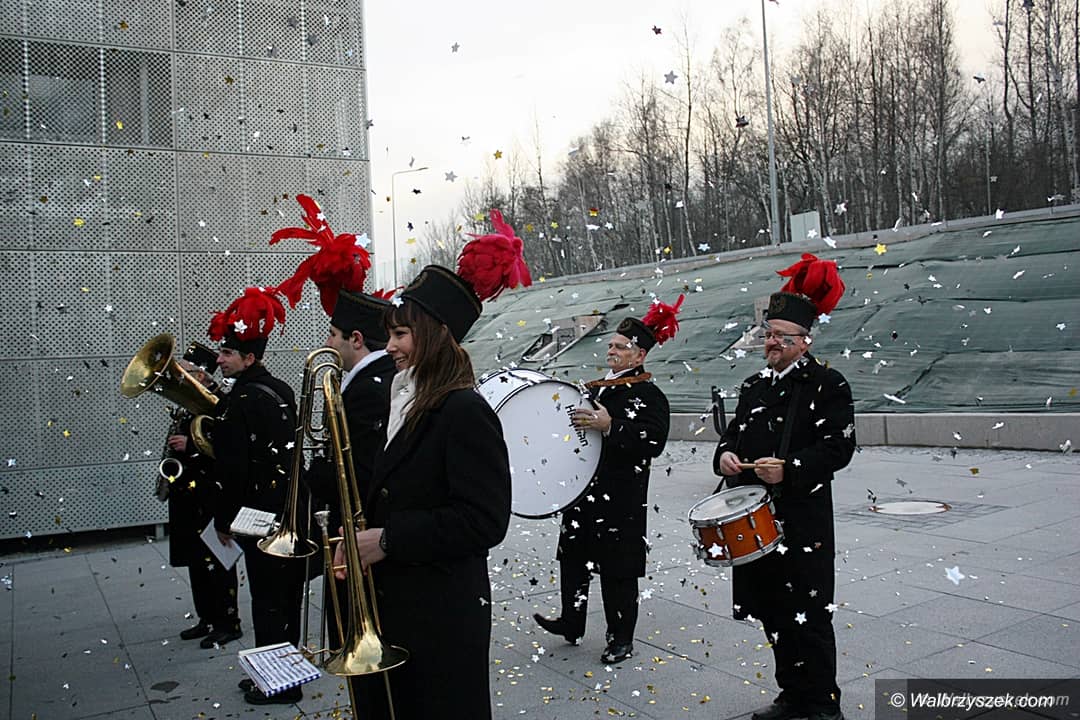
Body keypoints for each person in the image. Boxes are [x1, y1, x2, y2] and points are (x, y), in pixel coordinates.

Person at [712, 254, 854, 720]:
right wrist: (725, 456)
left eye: (782, 337)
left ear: (805, 341)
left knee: (809, 615)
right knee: (773, 610)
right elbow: (732, 436)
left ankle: (823, 705)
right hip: (756, 522)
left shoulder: (828, 383)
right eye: (769, 334)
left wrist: (790, 469)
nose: (772, 342)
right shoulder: (753, 385)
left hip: (802, 520)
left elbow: (839, 448)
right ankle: (792, 694)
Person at [534, 296, 683, 664]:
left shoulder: (650, 395)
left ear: (640, 355)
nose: (611, 351)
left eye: (620, 346)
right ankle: (571, 622)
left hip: (620, 497)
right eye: (611, 345)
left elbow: (654, 441)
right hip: (582, 492)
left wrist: (610, 425)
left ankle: (621, 639)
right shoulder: (597, 388)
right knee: (574, 562)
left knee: (618, 571)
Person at [206, 286, 306, 706]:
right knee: (285, 599)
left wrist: (224, 519)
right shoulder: (281, 389)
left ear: (249, 359)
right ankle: (286, 675)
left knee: (266, 602)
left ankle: (277, 684)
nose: (220, 359)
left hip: (255, 515)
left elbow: (233, 469)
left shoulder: (242, 400)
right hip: (287, 511)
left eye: (227, 353)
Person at [166, 342, 241, 648]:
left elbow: (226, 448)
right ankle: (207, 617)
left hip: (210, 493)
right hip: (188, 492)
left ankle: (228, 621)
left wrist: (190, 445)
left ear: (201, 375)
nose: (179, 376)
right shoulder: (188, 403)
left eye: (185, 371)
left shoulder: (217, 403)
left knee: (218, 560)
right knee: (196, 560)